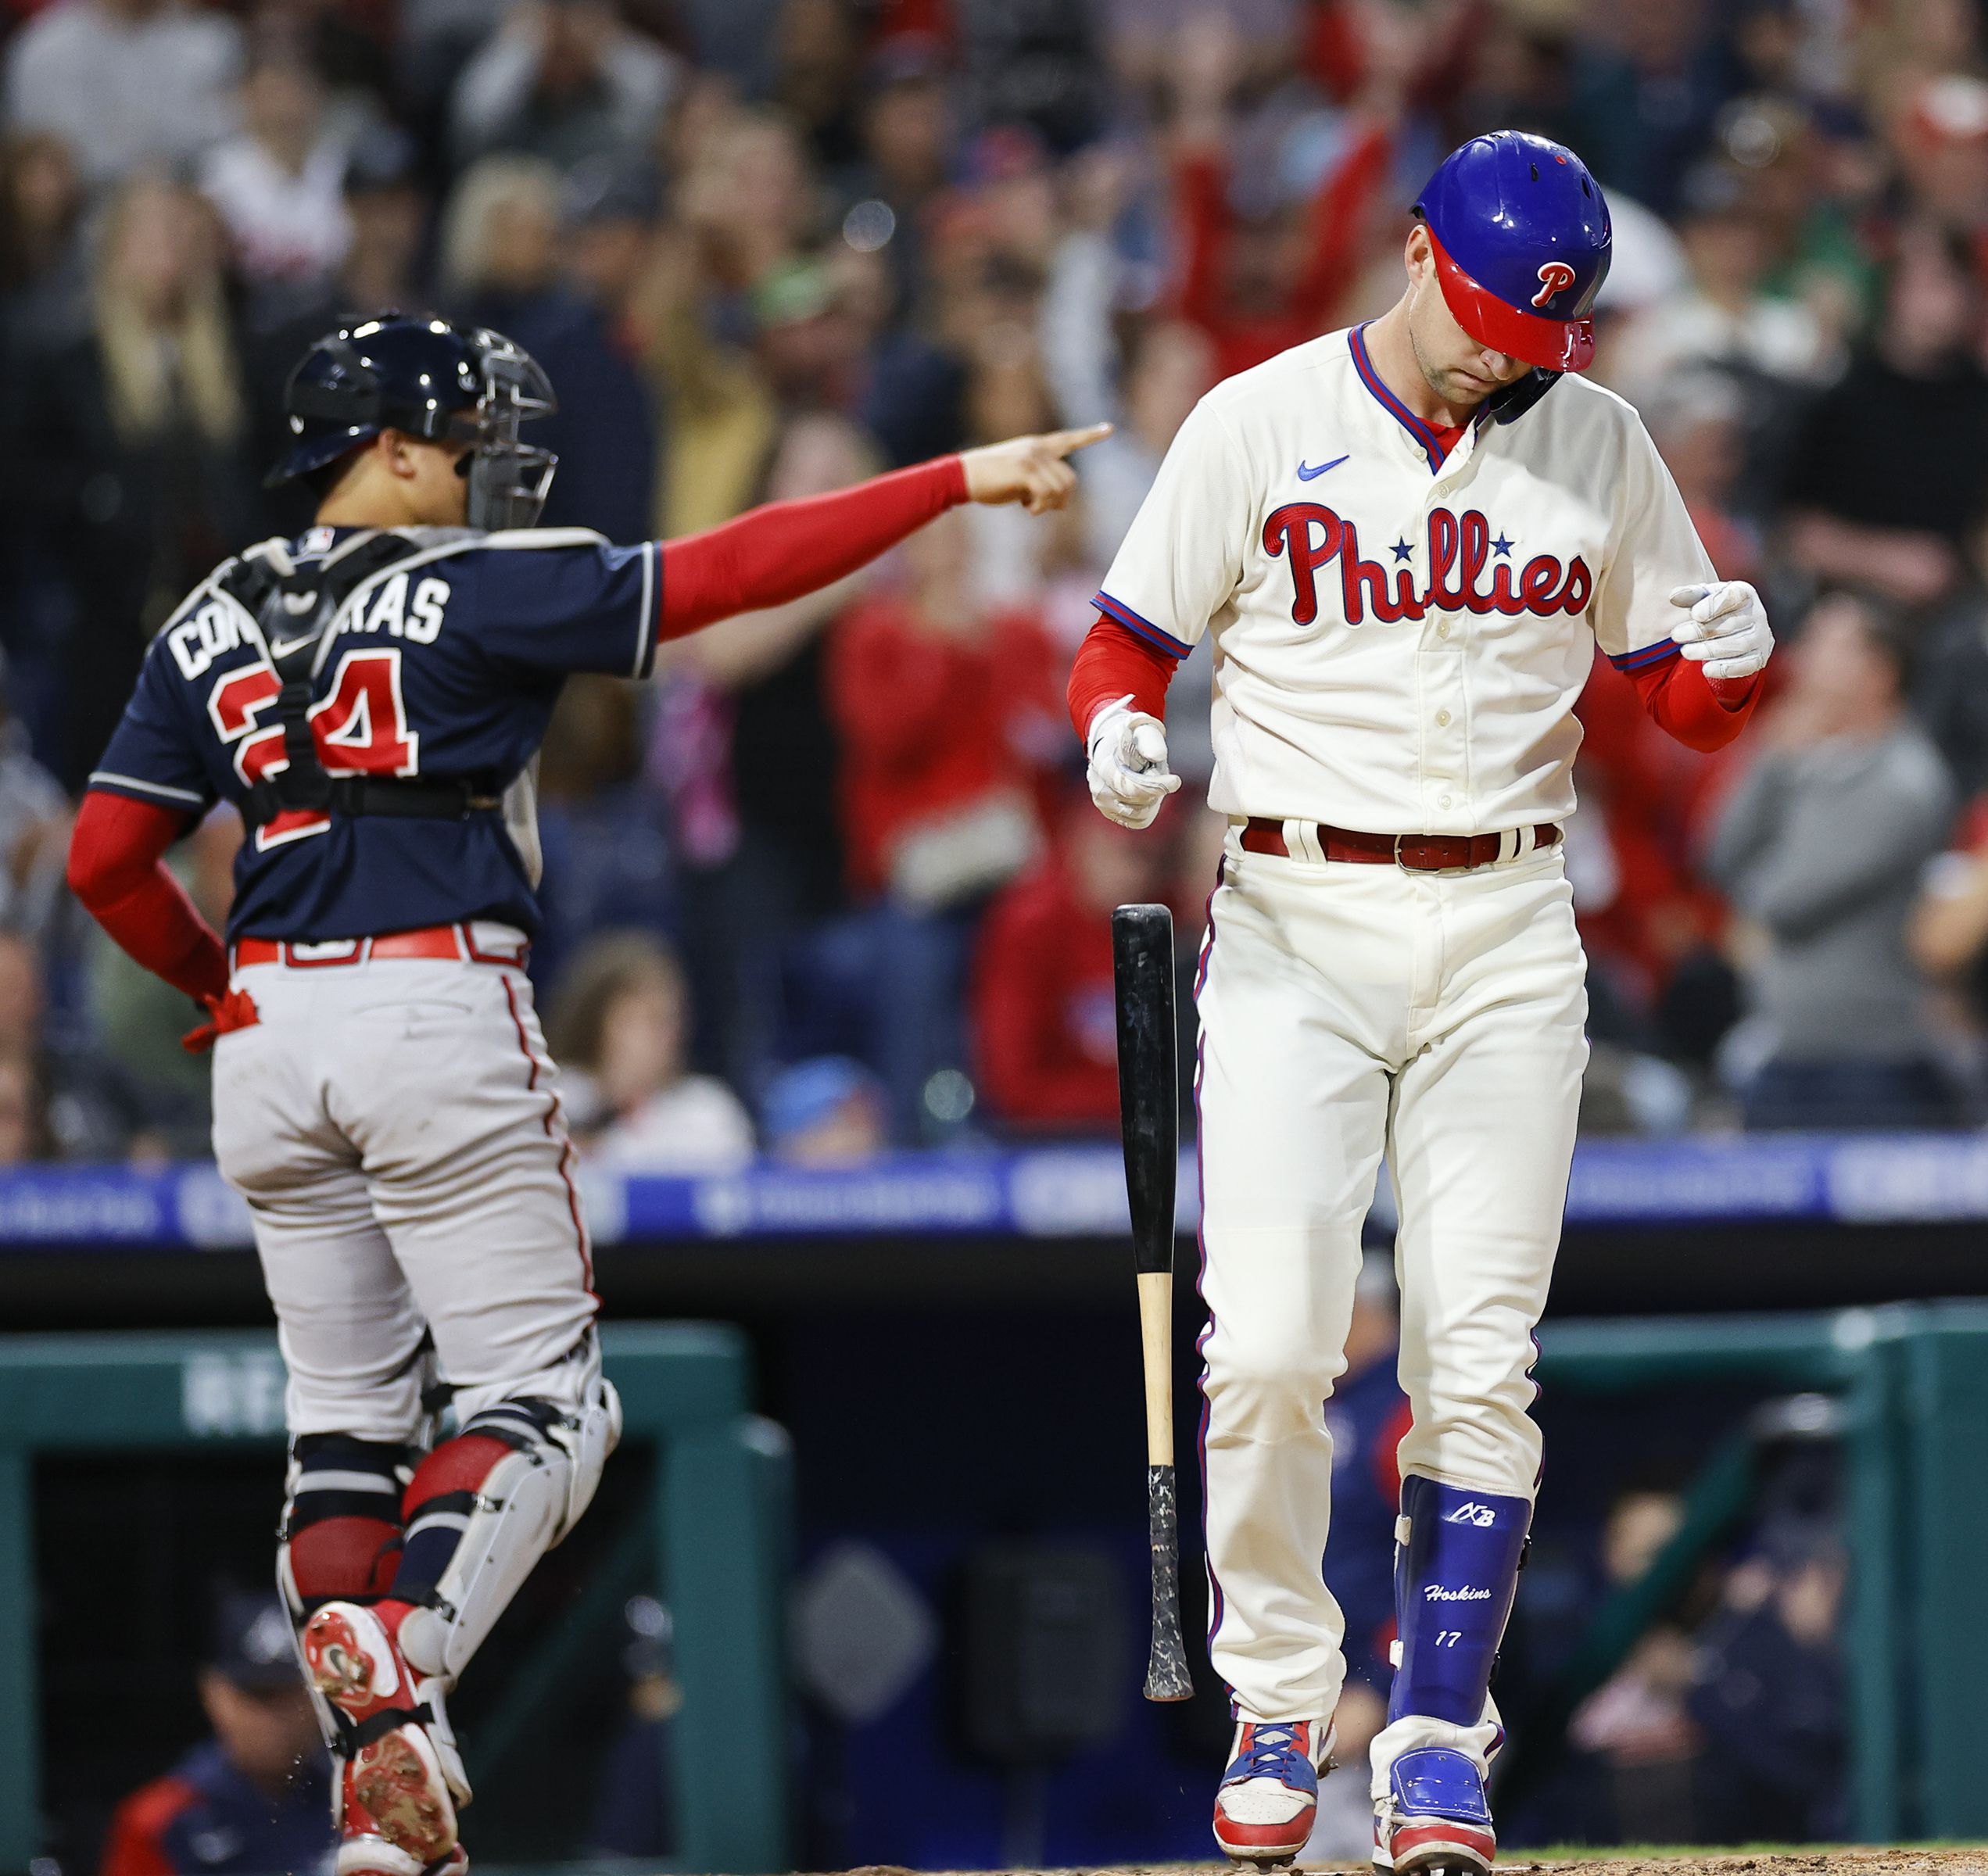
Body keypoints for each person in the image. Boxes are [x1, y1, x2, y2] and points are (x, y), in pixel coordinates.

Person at [63, 309, 1106, 1876]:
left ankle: (378, 1813)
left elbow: (101, 861)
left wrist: (215, 985)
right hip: (427, 997)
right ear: (393, 449)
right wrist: (949, 479)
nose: (485, 468)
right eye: (465, 443)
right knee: (548, 1407)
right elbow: (729, 576)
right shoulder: (471, 579)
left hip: (269, 1030)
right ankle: (401, 1660)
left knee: (345, 1431)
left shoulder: (212, 607)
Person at [1066, 132, 1775, 1872]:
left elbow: (1662, 693)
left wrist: (1723, 679)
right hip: (1297, 915)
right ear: (1407, 253)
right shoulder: (1254, 419)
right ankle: (1279, 1697)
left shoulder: (1590, 437)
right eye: (1478, 317)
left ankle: (1439, 1732)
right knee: (1278, 1344)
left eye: (1534, 336)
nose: (1499, 357)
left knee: (1475, 1353)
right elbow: (1122, 642)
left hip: (1506, 923)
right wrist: (1114, 735)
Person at [1707, 592, 1958, 1130]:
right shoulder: (1804, 764)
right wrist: (1770, 758)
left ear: (1879, 672)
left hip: (1868, 1063)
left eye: (1827, 643)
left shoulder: (1903, 781)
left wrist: (1747, 899)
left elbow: (1783, 902)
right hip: (1786, 1050)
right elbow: (1718, 855)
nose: (1803, 656)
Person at [100, 1589, 334, 1876]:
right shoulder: (160, 1821)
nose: (274, 1717)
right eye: (258, 1695)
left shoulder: (356, 1801)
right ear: (214, 1693)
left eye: (291, 1693)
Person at [546, 929, 754, 1173]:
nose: (668, 1036)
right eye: (649, 1020)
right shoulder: (557, 1098)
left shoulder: (707, 1111)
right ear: (598, 1023)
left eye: (673, 1019)